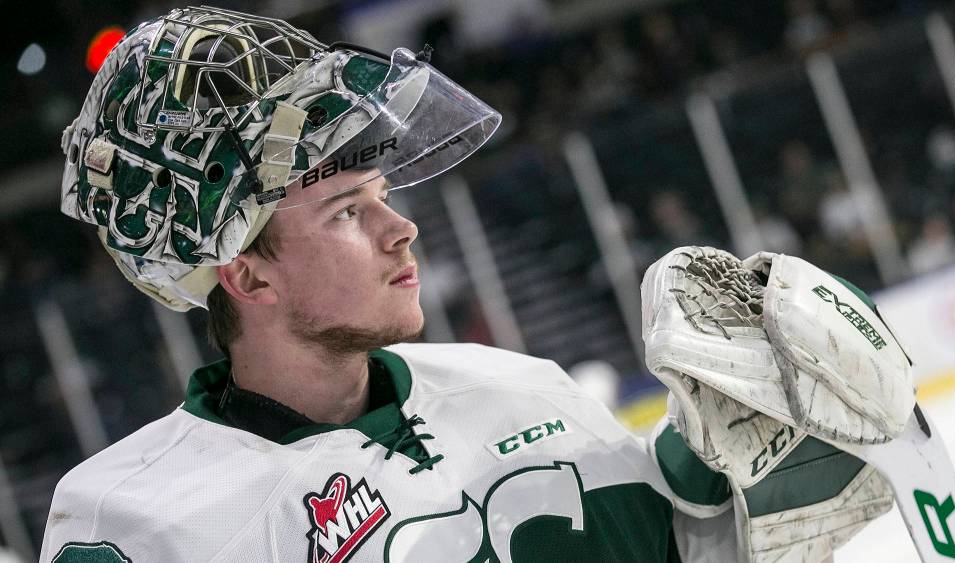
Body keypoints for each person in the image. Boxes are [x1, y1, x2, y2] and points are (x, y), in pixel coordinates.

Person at [41, 7, 901, 562]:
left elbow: (673, 548)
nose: (399, 227)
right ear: (247, 273)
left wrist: (725, 469)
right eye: (346, 210)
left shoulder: (519, 389)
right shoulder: (134, 525)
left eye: (383, 195)